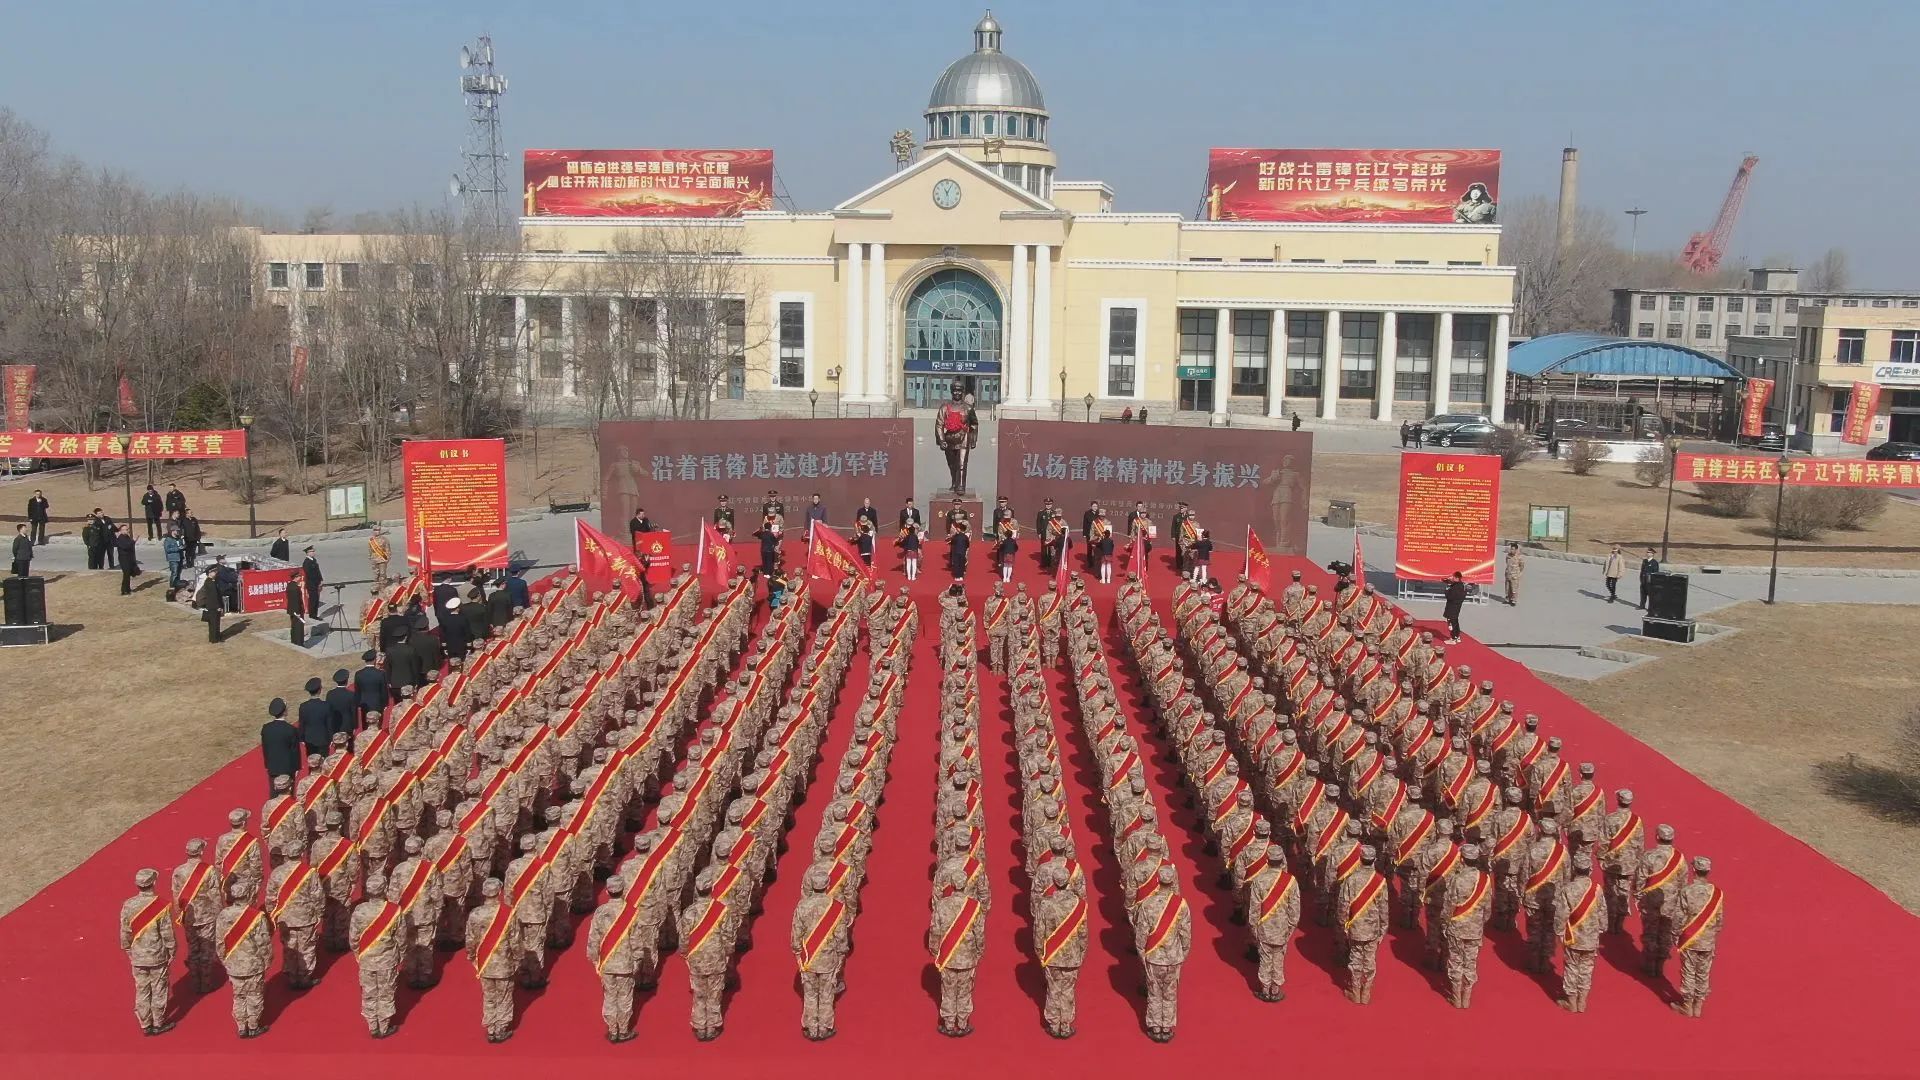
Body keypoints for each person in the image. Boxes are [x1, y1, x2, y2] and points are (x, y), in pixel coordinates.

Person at [120, 868, 176, 1036]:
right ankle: (158, 1022)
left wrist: (128, 949)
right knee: (159, 988)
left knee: (142, 989)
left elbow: (125, 931)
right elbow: (166, 932)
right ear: (153, 883)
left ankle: (145, 1023)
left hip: (138, 955)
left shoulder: (128, 905)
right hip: (157, 955)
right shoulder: (160, 905)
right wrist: (172, 949)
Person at [260, 697, 300, 793]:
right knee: (287, 795)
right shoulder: (291, 730)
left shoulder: (266, 729)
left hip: (273, 767)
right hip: (287, 768)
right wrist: (297, 767)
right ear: (285, 711)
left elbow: (265, 749)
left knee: (274, 793)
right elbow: (294, 751)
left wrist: (267, 764)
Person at [297, 677, 333, 759]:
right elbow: (329, 725)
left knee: (312, 763)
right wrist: (331, 738)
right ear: (320, 690)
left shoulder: (303, 707)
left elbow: (302, 724)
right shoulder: (326, 706)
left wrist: (301, 738)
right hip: (323, 739)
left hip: (309, 740)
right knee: (324, 763)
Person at [195, 571, 224, 644]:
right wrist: (218, 606)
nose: (215, 573)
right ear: (210, 573)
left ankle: (213, 638)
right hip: (213, 606)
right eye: (214, 572)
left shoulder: (209, 582)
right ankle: (215, 638)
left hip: (210, 606)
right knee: (215, 623)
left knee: (212, 623)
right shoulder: (211, 583)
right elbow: (214, 596)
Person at [1442, 571, 1466, 644]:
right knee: (1455, 622)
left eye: (1454, 577)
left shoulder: (1455, 587)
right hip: (1457, 607)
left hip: (1452, 607)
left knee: (1451, 623)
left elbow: (1449, 596)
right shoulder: (1461, 586)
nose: (1452, 578)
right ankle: (1457, 637)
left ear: (1457, 578)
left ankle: (1453, 638)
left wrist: (1448, 587)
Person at [301, 546, 323, 618]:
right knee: (312, 600)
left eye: (313, 551)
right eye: (311, 551)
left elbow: (317, 571)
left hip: (316, 583)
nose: (313, 553)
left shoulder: (314, 560)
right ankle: (312, 615)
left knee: (316, 599)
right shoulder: (306, 562)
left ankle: (315, 615)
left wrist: (320, 579)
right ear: (307, 553)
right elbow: (309, 574)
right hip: (311, 584)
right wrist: (316, 581)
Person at [285, 571, 305, 640]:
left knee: (293, 626)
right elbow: (296, 601)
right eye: (299, 576)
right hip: (297, 611)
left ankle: (294, 640)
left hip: (291, 610)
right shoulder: (295, 588)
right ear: (296, 577)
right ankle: (299, 642)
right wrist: (298, 613)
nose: (300, 577)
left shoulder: (290, 585)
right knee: (299, 627)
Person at [1504, 541, 1523, 606]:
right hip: (1508, 574)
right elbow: (1507, 562)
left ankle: (1513, 600)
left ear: (1516, 550)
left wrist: (1518, 572)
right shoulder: (1508, 555)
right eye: (1511, 549)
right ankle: (1508, 599)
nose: (1511, 550)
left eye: (1513, 549)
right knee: (1507, 588)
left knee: (1514, 588)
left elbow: (1521, 566)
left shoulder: (1519, 557)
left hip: (1515, 575)